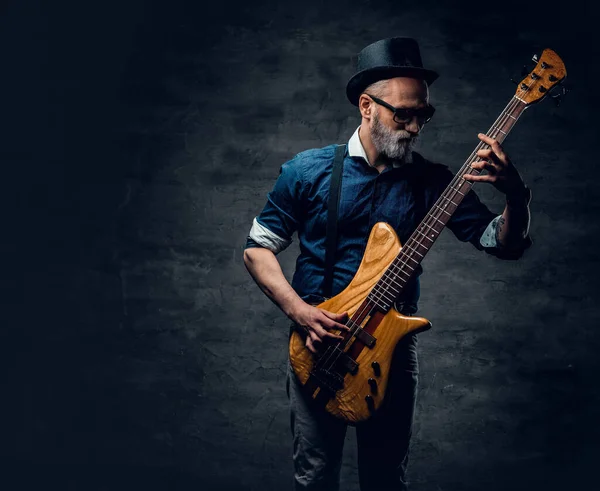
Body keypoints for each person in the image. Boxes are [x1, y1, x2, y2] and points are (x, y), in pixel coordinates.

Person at [243, 37, 532, 491]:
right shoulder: (306, 171)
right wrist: (300, 312)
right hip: (319, 347)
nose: (416, 127)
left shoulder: (434, 182)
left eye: (424, 115)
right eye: (404, 114)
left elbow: (502, 243)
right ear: (366, 106)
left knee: (385, 480)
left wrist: (516, 194)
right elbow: (257, 248)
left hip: (390, 352)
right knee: (315, 476)